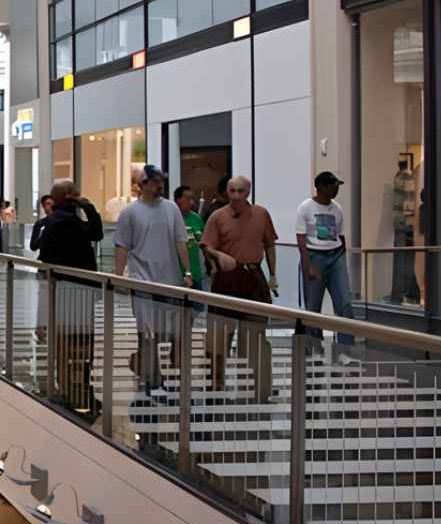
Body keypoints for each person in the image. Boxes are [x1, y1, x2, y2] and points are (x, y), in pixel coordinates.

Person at [113, 165, 192, 394]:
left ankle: (153, 370)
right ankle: (152, 376)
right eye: (155, 181)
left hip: (169, 278)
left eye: (161, 181)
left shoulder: (171, 209)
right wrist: (119, 277)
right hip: (141, 278)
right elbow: (122, 246)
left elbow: (181, 241)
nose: (160, 185)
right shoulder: (130, 212)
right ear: (143, 185)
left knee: (165, 330)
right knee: (146, 330)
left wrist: (187, 272)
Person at [202, 176, 280, 400]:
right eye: (232, 191)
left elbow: (270, 245)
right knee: (218, 335)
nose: (236, 195)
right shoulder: (218, 216)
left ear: (248, 192)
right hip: (226, 279)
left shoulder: (261, 214)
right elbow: (206, 246)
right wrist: (218, 256)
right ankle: (215, 385)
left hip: (254, 277)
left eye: (241, 191)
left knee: (256, 336)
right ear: (227, 192)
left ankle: (261, 387)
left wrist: (273, 274)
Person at [36, 180, 104, 414]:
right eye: (76, 193)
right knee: (80, 344)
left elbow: (45, 262)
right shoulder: (68, 221)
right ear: (70, 197)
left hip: (63, 294)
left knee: (65, 346)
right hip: (78, 294)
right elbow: (97, 232)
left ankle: (68, 390)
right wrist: (89, 207)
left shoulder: (55, 222)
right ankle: (75, 392)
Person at [296, 171, 351, 343]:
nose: (336, 189)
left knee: (345, 304)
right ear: (321, 187)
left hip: (335, 256)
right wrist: (308, 265)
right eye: (333, 185)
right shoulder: (305, 207)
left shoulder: (337, 208)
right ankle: (314, 346)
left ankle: (345, 348)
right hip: (314, 256)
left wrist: (342, 258)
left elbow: (341, 236)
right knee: (313, 307)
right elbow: (301, 238)